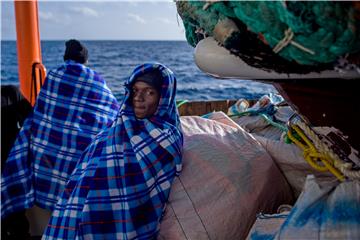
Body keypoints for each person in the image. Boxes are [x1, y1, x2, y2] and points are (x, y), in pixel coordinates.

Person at [43, 63, 183, 239]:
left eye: (149, 92)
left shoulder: (167, 137)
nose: (138, 98)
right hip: (85, 211)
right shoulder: (116, 127)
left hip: (127, 219)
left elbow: (146, 188)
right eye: (135, 91)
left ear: (164, 97)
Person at [1, 39, 120, 221]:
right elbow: (112, 112)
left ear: (65, 57)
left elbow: (41, 110)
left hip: (47, 161)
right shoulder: (96, 79)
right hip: (81, 157)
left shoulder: (54, 75)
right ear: (85, 60)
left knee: (36, 140)